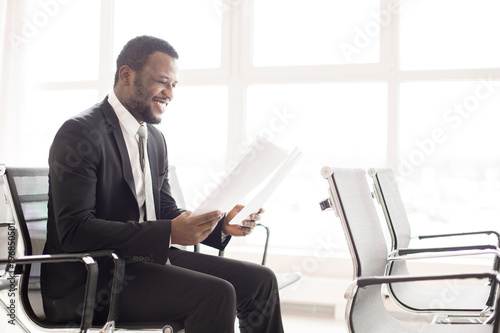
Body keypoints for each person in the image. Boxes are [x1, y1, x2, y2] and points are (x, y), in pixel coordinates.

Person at [41, 35, 284, 333]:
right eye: (162, 82)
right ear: (127, 75)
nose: (170, 93)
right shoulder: (80, 133)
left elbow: (165, 209)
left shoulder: (154, 139)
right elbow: (75, 231)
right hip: (94, 279)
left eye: (174, 85)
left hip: (145, 262)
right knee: (216, 294)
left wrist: (219, 225)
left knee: (261, 281)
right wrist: (168, 232)